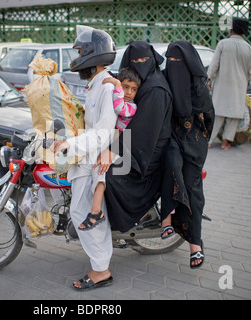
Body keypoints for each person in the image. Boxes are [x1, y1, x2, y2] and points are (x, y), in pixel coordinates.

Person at [51, 26, 117, 291]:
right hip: (87, 153)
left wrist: (70, 143)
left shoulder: (106, 88)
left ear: (92, 54)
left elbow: (103, 131)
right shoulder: (96, 85)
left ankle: (101, 269)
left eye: (80, 52)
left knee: (85, 212)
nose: (76, 58)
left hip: (97, 156)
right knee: (77, 208)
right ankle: (99, 263)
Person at [101, 41, 173, 233]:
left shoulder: (155, 89)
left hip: (148, 151)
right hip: (136, 141)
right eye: (136, 60)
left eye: (145, 59)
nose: (140, 63)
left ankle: (125, 223)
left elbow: (142, 130)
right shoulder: (140, 80)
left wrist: (112, 150)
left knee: (109, 175)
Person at [161, 40, 214, 269]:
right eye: (171, 60)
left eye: (179, 61)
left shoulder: (199, 88)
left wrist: (201, 141)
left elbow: (209, 119)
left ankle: (195, 245)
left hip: (193, 144)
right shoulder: (163, 80)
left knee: (194, 191)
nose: (174, 65)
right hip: (170, 139)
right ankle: (166, 220)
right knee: (170, 170)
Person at [78, 67, 141, 231]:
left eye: (133, 89)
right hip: (109, 141)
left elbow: (119, 108)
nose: (128, 92)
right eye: (126, 87)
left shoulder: (131, 107)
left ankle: (96, 211)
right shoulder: (112, 93)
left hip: (119, 144)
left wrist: (117, 85)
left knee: (100, 170)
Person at [207, 17, 251, 151]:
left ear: (231, 30)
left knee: (218, 115)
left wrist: (209, 80)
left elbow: (213, 66)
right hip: (239, 86)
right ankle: (225, 143)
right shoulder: (248, 47)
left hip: (222, 85)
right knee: (233, 117)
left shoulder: (223, 44)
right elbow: (250, 71)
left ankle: (209, 142)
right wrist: (246, 83)